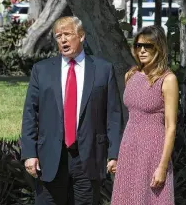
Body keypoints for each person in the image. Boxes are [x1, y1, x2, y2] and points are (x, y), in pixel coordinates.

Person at [21, 16, 122, 205]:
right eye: (58, 36)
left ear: (81, 36)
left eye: (67, 34)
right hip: (50, 156)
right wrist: (29, 153)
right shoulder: (41, 70)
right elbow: (30, 114)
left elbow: (113, 115)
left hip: (89, 155)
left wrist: (114, 153)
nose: (63, 40)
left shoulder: (103, 69)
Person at [111, 25, 178, 205]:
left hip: (153, 152)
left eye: (147, 46)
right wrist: (118, 155)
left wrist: (163, 167)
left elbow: (171, 127)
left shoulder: (167, 79)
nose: (141, 50)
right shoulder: (131, 75)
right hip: (129, 148)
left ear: (159, 48)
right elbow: (133, 116)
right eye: (138, 46)